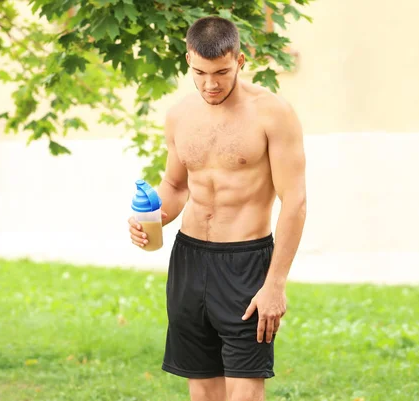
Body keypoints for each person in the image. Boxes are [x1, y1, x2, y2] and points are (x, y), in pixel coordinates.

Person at [127, 15, 307, 401]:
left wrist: (275, 284)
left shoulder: (273, 113)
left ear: (240, 61)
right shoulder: (179, 116)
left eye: (222, 72)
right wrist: (153, 218)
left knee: (244, 392)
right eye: (201, 72)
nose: (211, 84)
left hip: (245, 264)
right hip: (189, 259)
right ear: (188, 59)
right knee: (203, 391)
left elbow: (295, 202)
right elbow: (175, 186)